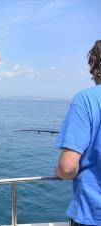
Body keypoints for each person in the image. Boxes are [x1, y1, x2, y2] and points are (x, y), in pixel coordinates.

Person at [55, 40, 101, 226]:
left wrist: (58, 171)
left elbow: (67, 168)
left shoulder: (86, 100)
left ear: (94, 63)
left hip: (92, 215)